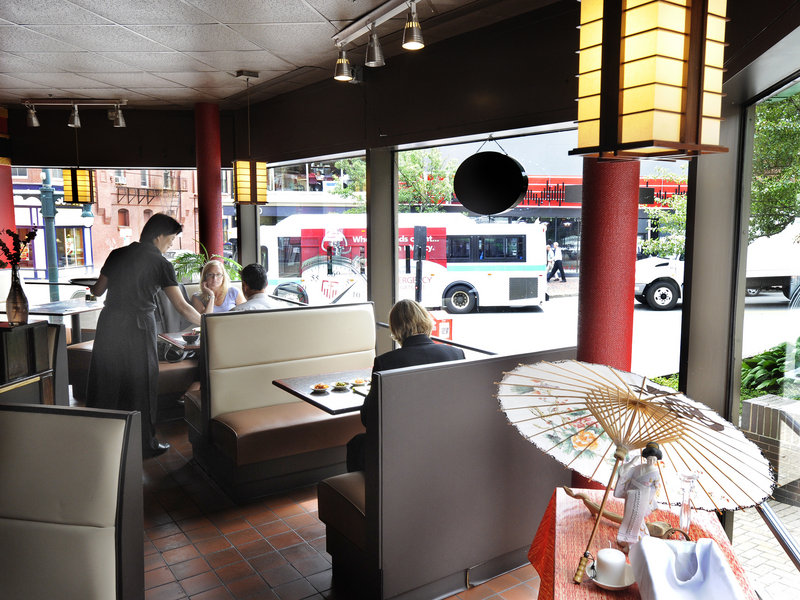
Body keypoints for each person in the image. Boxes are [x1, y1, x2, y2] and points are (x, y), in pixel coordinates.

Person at [86, 213, 203, 457]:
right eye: (171, 239)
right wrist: (208, 321)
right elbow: (181, 306)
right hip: (139, 326)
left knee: (107, 379)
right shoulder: (161, 263)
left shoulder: (117, 254)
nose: (171, 244)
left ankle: (101, 440)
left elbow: (97, 290)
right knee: (142, 384)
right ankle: (144, 444)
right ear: (158, 236)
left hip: (110, 323)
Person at [346, 299, 466, 472]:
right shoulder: (455, 354)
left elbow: (368, 419)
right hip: (447, 441)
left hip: (404, 447)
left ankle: (368, 495)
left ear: (395, 328)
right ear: (426, 321)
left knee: (357, 443)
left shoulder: (386, 362)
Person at [614, 442, 663, 551]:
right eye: (650, 458)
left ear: (656, 460)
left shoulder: (655, 473)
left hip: (643, 497)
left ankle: (635, 544)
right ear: (646, 458)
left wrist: (648, 501)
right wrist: (630, 463)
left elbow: (654, 488)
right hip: (631, 495)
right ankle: (626, 540)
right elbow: (625, 474)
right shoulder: (639, 467)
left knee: (637, 520)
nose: (651, 461)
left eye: (654, 459)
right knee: (627, 517)